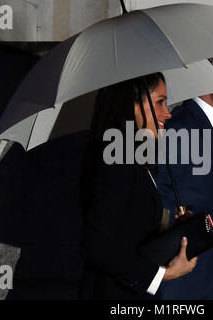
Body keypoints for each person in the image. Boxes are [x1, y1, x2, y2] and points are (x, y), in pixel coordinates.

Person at [78, 73, 198, 300]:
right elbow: (96, 244)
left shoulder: (132, 157)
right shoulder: (115, 160)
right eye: (160, 102)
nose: (168, 112)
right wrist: (162, 275)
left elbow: (127, 230)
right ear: (131, 104)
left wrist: (171, 231)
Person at [155, 81, 213, 300]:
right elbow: (159, 205)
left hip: (212, 280)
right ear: (208, 76)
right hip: (182, 287)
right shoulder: (178, 128)